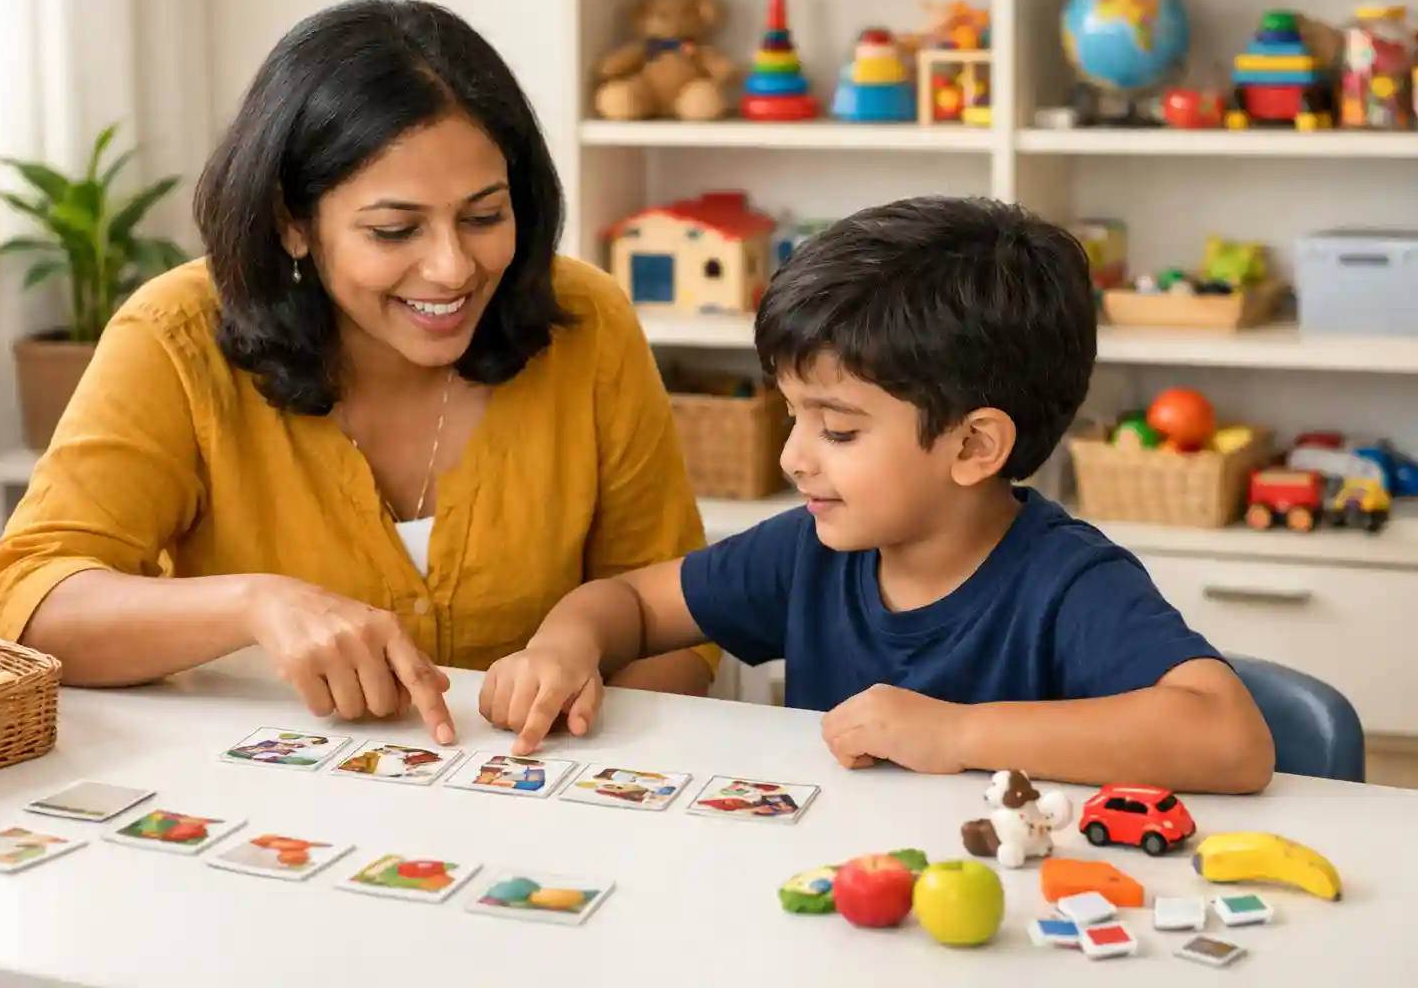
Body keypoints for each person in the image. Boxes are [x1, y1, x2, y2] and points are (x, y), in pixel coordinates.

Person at [0, 0, 721, 740]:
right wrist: (253, 606)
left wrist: (578, 746)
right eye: (395, 229)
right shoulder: (175, 336)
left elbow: (681, 625)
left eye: (485, 216)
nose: (453, 268)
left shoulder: (587, 321)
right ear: (291, 221)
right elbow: (25, 603)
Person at [481, 196, 1277, 794]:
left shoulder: (1067, 583)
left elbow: (1230, 737)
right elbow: (630, 602)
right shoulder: (811, 548)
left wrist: (960, 734)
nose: (794, 457)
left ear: (973, 446)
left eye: (838, 429)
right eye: (794, 415)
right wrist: (564, 646)